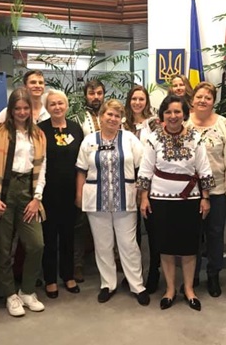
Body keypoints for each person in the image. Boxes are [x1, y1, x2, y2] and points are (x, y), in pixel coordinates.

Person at [138, 95, 215, 312]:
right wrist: (144, 197)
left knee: (189, 247)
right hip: (160, 200)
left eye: (177, 112)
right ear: (162, 115)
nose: (173, 116)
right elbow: (146, 169)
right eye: (168, 112)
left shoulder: (195, 137)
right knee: (166, 247)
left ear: (184, 114)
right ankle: (170, 290)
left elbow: (204, 168)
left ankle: (189, 289)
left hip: (189, 200)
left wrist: (206, 198)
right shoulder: (153, 138)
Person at [76, 99, 149, 306]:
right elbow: (81, 170)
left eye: (117, 115)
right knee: (103, 245)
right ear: (101, 117)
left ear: (121, 119)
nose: (113, 118)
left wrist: (142, 194)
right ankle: (107, 284)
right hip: (96, 201)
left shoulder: (129, 140)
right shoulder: (89, 141)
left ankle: (137, 285)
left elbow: (142, 168)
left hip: (125, 199)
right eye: (109, 114)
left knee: (128, 244)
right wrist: (79, 195)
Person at [0, 88, 46, 317]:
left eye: (26, 108)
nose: (22, 112)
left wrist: (37, 198)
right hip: (4, 191)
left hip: (28, 191)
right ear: (10, 110)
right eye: (17, 108)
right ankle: (9, 294)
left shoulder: (38, 134)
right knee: (4, 248)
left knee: (36, 244)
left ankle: (27, 291)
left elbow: (42, 168)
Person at [188, 82, 226, 298]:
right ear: (192, 100)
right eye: (199, 97)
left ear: (213, 101)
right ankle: (192, 277)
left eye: (208, 98)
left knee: (215, 234)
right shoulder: (184, 123)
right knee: (192, 235)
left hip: (218, 190)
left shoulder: (222, 123)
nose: (203, 101)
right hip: (189, 191)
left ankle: (213, 275)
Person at [37, 90, 83, 299]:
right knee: (49, 237)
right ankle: (50, 279)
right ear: (47, 107)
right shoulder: (40, 130)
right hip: (47, 193)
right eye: (52, 104)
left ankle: (68, 275)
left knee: (68, 236)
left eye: (60, 103)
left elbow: (82, 162)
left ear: (66, 105)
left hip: (70, 192)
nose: (57, 107)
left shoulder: (76, 128)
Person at [123, 85, 160, 293]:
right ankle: (132, 275)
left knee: (152, 229)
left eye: (141, 99)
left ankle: (154, 271)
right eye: (134, 99)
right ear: (129, 101)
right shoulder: (121, 123)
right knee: (131, 232)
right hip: (126, 181)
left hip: (151, 181)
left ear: (146, 101)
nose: (137, 102)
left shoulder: (154, 123)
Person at [73, 79, 106, 283]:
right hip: (87, 176)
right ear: (85, 95)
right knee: (81, 223)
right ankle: (77, 264)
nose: (96, 97)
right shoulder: (78, 117)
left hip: (110, 176)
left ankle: (114, 258)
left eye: (99, 93)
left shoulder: (111, 114)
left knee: (110, 220)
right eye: (92, 93)